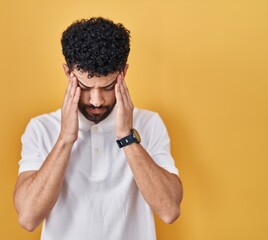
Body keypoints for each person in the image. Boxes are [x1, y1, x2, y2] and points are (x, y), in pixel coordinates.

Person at [13, 17, 183, 240]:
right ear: (67, 72)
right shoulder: (41, 128)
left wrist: (127, 137)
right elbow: (27, 217)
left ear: (123, 72)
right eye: (84, 87)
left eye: (108, 87)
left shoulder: (149, 124)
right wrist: (65, 138)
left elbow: (169, 210)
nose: (96, 100)